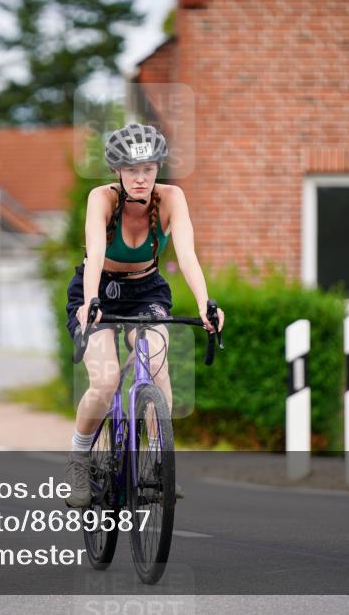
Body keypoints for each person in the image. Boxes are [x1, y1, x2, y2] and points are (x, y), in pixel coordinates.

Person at [63, 122, 225, 508]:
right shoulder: (101, 198)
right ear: (117, 171)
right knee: (104, 383)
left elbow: (186, 256)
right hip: (98, 289)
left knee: (155, 361)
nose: (140, 178)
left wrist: (205, 304)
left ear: (158, 170)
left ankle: (156, 461)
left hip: (147, 291)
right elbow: (95, 255)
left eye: (148, 169)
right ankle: (79, 458)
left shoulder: (172, 198)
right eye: (132, 170)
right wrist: (90, 303)